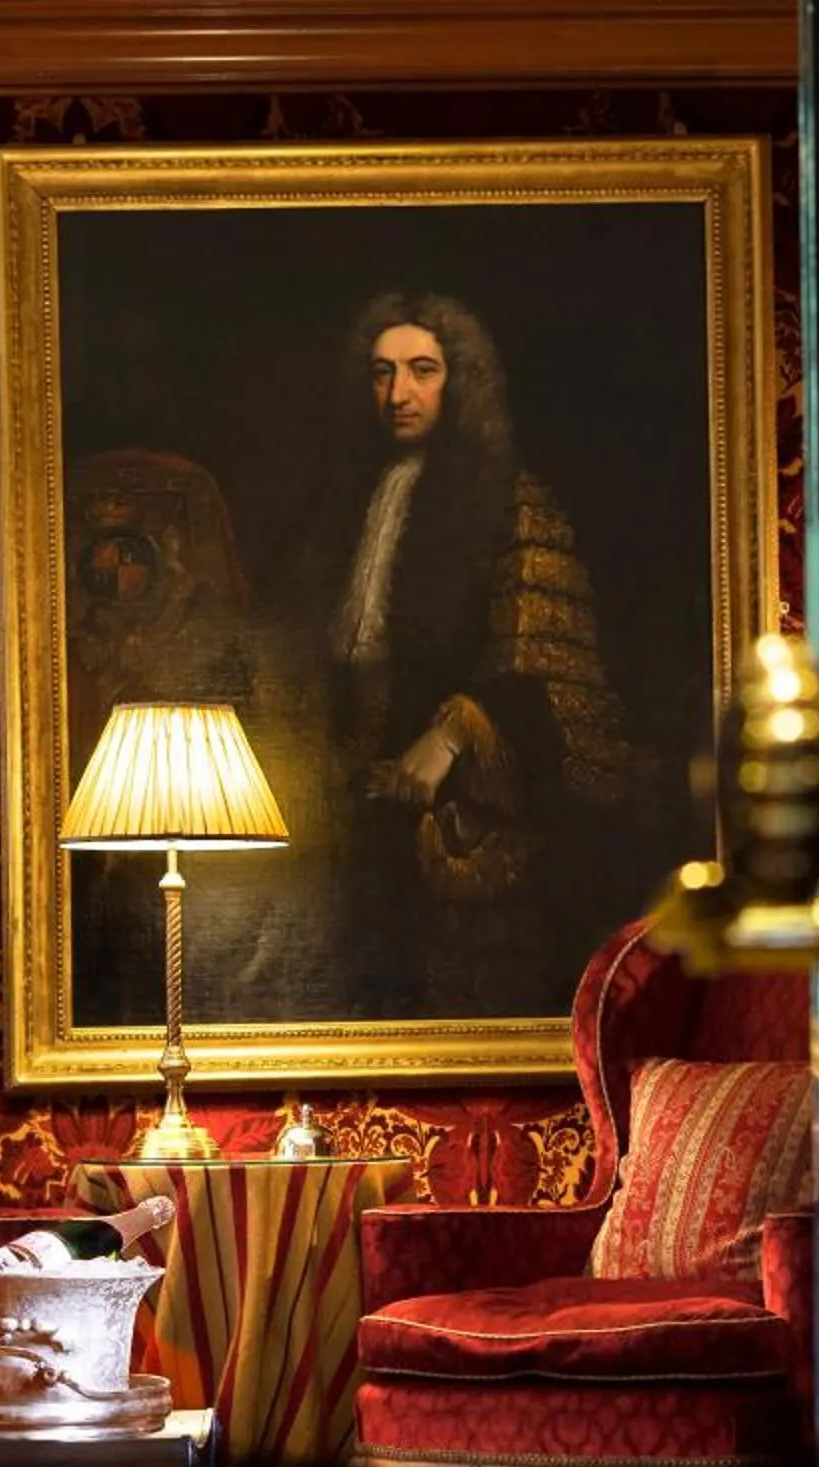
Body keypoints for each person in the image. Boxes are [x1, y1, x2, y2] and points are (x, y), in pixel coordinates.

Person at [309, 290, 635, 1016]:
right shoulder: (355, 502)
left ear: (461, 379)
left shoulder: (511, 500)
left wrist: (457, 732)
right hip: (367, 825)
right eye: (382, 372)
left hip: (468, 829)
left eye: (422, 369)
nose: (399, 393)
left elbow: (552, 671)